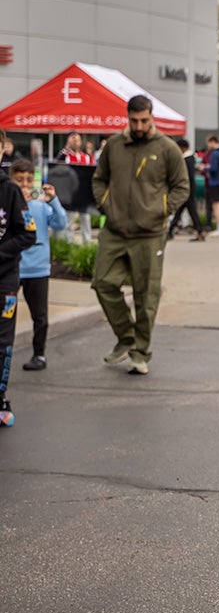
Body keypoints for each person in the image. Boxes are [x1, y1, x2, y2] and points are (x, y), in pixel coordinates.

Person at [91, 95, 190, 376]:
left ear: (151, 117)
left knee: (146, 296)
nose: (139, 126)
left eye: (144, 120)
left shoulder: (167, 148)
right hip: (115, 230)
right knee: (102, 283)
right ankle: (126, 337)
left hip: (150, 234)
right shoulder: (114, 146)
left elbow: (182, 186)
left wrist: (161, 210)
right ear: (127, 117)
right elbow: (99, 179)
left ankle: (140, 353)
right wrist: (106, 205)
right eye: (134, 120)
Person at [11, 159, 66, 372]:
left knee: (40, 316)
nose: (25, 185)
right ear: (11, 181)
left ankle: (39, 354)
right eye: (19, 180)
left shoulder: (41, 205)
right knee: (6, 313)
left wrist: (54, 201)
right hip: (12, 268)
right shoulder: (6, 202)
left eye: (28, 180)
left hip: (37, 269)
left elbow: (60, 224)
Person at [0, 143, 38, 424]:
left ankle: (1, 398)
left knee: (2, 341)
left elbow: (28, 234)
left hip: (5, 281)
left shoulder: (10, 190)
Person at [57, 130, 94, 244]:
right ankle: (68, 243)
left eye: (77, 140)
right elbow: (58, 163)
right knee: (69, 219)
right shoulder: (66, 156)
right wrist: (66, 147)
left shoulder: (86, 157)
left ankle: (87, 243)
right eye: (73, 140)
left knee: (85, 218)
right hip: (70, 192)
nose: (75, 142)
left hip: (83, 192)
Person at [168, 139, 205, 242]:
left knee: (189, 211)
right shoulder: (189, 158)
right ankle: (199, 231)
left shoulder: (187, 159)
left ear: (182, 148)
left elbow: (187, 176)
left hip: (187, 189)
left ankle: (199, 231)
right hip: (188, 188)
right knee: (182, 210)